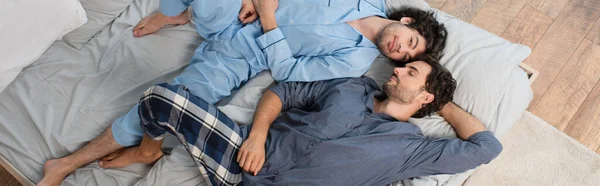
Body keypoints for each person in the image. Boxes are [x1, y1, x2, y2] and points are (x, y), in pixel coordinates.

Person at [38, 56, 502, 185]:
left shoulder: (413, 147)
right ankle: (145, 149)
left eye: (410, 72)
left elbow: (487, 148)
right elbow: (281, 91)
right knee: (163, 96)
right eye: (403, 64)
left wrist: (440, 103)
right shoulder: (351, 87)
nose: (396, 69)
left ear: (423, 95)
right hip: (243, 157)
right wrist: (257, 136)